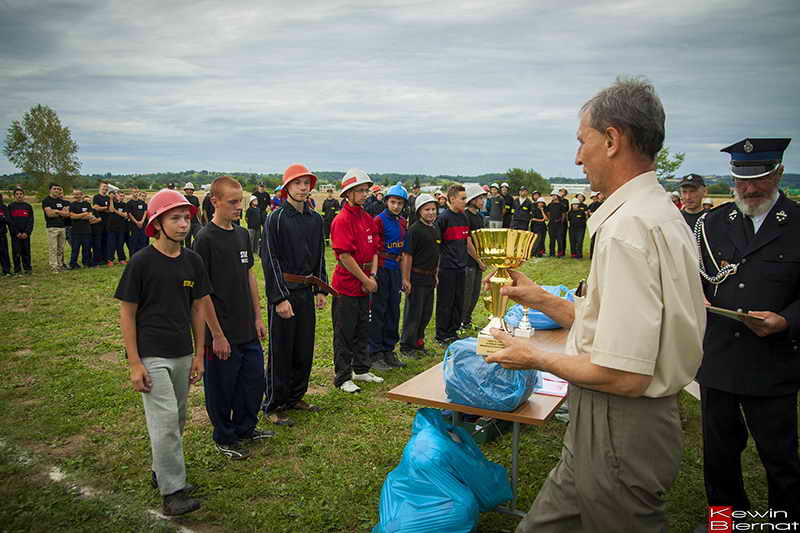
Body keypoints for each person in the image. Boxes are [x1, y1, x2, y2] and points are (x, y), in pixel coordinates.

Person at [486, 77, 705, 532]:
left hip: (619, 423)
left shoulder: (629, 230)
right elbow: (619, 327)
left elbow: (624, 373)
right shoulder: (657, 212)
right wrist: (544, 298)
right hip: (606, 425)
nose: (577, 157)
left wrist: (531, 355)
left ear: (612, 140)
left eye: (582, 141)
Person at [694, 137, 800, 529]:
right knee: (719, 457)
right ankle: (725, 523)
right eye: (741, 180)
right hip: (719, 359)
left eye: (759, 179)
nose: (749, 189)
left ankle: (783, 524)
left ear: (779, 174)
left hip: (772, 361)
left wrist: (786, 320)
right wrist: (696, 299)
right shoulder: (714, 223)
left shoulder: (797, 224)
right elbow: (698, 278)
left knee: (780, 458)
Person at [114, 188, 209, 516]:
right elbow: (127, 311)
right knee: (166, 421)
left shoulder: (193, 261)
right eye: (175, 218)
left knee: (177, 419)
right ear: (156, 223)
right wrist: (134, 361)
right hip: (152, 354)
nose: (183, 224)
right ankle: (173, 492)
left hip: (183, 352)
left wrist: (199, 354)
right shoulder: (142, 262)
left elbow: (198, 309)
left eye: (186, 218)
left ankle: (162, 471)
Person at [193, 176, 270, 460]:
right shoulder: (204, 239)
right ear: (215, 201)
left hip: (246, 325)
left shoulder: (241, 234)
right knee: (222, 387)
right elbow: (202, 293)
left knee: (253, 380)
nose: (239, 207)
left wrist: (258, 316)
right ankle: (224, 435)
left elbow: (249, 275)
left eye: (241, 201)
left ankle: (246, 427)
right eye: (233, 202)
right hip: (221, 330)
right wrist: (217, 334)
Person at [261, 164, 328, 425]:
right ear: (287, 186)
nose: (303, 188)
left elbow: (319, 255)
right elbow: (270, 260)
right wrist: (279, 298)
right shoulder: (275, 219)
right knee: (281, 350)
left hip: (305, 292)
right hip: (285, 293)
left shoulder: (315, 219)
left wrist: (321, 288)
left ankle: (296, 396)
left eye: (306, 183)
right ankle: (274, 404)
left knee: (303, 347)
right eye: (297, 183)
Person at [329, 168, 383, 393]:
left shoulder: (367, 218)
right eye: (359, 191)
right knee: (344, 331)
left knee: (363, 327)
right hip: (347, 285)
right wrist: (365, 278)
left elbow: (375, 250)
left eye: (365, 190)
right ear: (347, 194)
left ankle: (361, 368)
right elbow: (344, 255)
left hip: (364, 282)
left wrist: (372, 276)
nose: (364, 194)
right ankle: (342, 376)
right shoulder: (342, 220)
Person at [369, 183, 409, 371]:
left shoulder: (402, 222)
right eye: (393, 202)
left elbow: (402, 251)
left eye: (400, 203)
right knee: (379, 310)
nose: (396, 206)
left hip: (395, 269)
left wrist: (403, 276)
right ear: (387, 202)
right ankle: (374, 353)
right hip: (383, 268)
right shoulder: (378, 220)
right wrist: (374, 274)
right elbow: (374, 250)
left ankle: (388, 350)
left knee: (394, 310)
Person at [399, 193, 440, 358]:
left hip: (430, 278)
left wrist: (435, 274)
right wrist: (406, 278)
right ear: (419, 211)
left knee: (426, 312)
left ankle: (419, 342)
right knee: (414, 313)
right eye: (427, 209)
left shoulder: (435, 228)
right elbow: (407, 256)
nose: (431, 212)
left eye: (433, 209)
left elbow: (436, 253)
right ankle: (407, 345)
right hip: (416, 277)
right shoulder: (414, 230)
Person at [435, 184, 470, 345]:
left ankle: (453, 331)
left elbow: (465, 241)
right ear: (452, 199)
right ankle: (442, 334)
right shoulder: (443, 218)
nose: (465, 201)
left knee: (458, 301)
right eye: (463, 198)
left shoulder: (464, 217)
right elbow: (436, 244)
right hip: (447, 267)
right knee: (445, 302)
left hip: (461, 266)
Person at [462, 184, 487, 331]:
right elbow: (467, 241)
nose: (482, 201)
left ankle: (467, 320)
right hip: (469, 261)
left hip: (479, 261)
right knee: (467, 294)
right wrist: (478, 260)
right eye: (480, 198)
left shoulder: (479, 216)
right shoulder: (466, 216)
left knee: (475, 294)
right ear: (472, 199)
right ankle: (460, 321)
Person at [42, 183, 70, 272]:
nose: (57, 190)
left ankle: (60, 266)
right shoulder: (46, 200)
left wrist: (56, 211)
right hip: (52, 227)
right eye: (55, 189)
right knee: (53, 248)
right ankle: (54, 267)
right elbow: (49, 214)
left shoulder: (61, 201)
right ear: (50, 190)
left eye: (58, 189)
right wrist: (60, 211)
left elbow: (67, 214)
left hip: (62, 227)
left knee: (60, 248)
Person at [8, 187, 34, 274]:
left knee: (26, 251)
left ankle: (27, 267)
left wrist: (27, 232)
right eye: (17, 194)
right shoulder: (11, 206)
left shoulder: (28, 206)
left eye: (21, 194)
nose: (19, 196)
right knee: (16, 251)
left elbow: (31, 221)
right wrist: (16, 232)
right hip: (16, 234)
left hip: (25, 234)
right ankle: (17, 268)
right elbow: (10, 221)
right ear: (14, 196)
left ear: (23, 195)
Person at [68, 189, 93, 269]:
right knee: (75, 249)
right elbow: (72, 216)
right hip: (76, 231)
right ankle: (73, 264)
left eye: (78, 194)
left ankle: (86, 263)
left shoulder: (87, 204)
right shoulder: (72, 205)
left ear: (82, 195)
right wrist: (84, 214)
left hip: (87, 230)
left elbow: (90, 216)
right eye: (75, 194)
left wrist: (78, 216)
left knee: (86, 248)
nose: (76, 196)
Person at [92, 182, 112, 266]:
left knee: (105, 242)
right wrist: (105, 208)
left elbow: (111, 209)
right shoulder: (96, 197)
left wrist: (104, 208)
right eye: (104, 187)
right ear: (100, 187)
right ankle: (97, 260)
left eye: (106, 187)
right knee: (97, 243)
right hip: (98, 223)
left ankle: (105, 259)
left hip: (107, 223)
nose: (105, 188)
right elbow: (95, 208)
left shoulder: (108, 198)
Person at [107, 191, 129, 265]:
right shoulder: (112, 203)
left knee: (120, 244)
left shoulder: (124, 205)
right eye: (120, 196)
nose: (121, 197)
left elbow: (125, 215)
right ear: (116, 196)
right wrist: (110, 199)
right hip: (111, 227)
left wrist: (115, 211)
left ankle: (122, 259)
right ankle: (110, 260)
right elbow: (110, 209)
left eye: (123, 196)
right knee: (111, 244)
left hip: (121, 228)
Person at [127, 189, 148, 256]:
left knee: (142, 241)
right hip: (134, 226)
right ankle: (133, 257)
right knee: (134, 242)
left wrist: (142, 221)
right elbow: (129, 214)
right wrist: (136, 222)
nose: (136, 193)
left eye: (137, 192)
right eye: (134, 192)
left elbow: (145, 211)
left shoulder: (142, 202)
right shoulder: (129, 203)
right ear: (132, 193)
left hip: (142, 225)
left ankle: (143, 257)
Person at [545, 193, 566, 257]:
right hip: (551, 224)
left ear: (558, 196)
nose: (553, 197)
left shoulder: (561, 205)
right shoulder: (549, 205)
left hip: (559, 225)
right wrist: (551, 219)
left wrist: (560, 221)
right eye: (552, 195)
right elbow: (548, 213)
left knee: (559, 239)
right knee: (552, 240)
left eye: (555, 195)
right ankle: (552, 253)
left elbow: (563, 214)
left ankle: (560, 253)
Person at [183, 183, 201, 248]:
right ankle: (188, 253)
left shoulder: (195, 198)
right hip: (186, 222)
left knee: (198, 236)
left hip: (195, 222)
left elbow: (198, 210)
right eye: (188, 189)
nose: (190, 191)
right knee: (187, 240)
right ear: (185, 190)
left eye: (191, 190)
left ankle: (194, 249)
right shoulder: (182, 198)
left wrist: (200, 220)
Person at [587, 192, 604, 259]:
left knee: (601, 240)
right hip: (595, 224)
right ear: (598, 196)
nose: (601, 196)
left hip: (603, 224)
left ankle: (600, 255)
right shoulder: (594, 204)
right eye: (600, 194)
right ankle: (592, 255)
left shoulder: (606, 203)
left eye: (602, 194)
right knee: (594, 240)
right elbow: (591, 213)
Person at [0, 192, 10, 275]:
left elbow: (7, 219)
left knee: (4, 252)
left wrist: (2, 218)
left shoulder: (4, 208)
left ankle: (6, 270)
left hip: (2, 233)